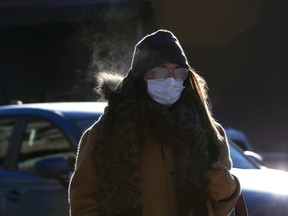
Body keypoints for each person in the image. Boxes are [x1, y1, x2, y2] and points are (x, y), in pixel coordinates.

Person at [68, 29, 241, 216]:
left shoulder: (209, 133)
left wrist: (227, 188)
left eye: (178, 72)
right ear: (141, 76)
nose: (171, 80)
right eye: (160, 72)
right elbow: (83, 205)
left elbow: (220, 208)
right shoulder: (103, 135)